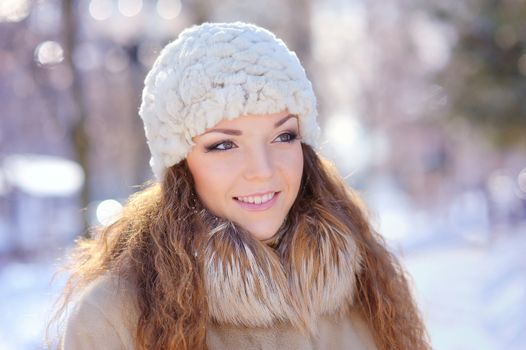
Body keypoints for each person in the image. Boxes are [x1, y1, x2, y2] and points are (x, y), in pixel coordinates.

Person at [48, 22, 431, 350]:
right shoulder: (113, 317)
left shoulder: (366, 282)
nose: (262, 171)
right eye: (223, 145)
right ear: (180, 164)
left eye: (283, 137)